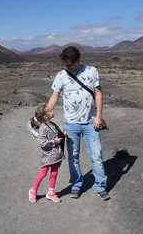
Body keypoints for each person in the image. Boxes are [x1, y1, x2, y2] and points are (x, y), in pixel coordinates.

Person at [47, 46, 110, 201]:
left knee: (96, 155)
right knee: (73, 156)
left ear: (78, 60)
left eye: (69, 64)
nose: (67, 67)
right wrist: (48, 111)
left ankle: (100, 186)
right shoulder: (61, 75)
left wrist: (99, 116)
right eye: (65, 64)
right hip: (71, 124)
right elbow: (55, 95)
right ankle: (76, 185)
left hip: (90, 122)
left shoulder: (92, 71)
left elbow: (98, 93)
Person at [28, 104, 66, 203]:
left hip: (56, 155)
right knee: (43, 173)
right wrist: (54, 141)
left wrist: (62, 133)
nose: (52, 111)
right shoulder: (43, 128)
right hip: (48, 155)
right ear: (45, 116)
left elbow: (57, 132)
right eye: (49, 111)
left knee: (54, 173)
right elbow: (42, 143)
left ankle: (51, 193)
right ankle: (33, 191)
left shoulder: (52, 124)